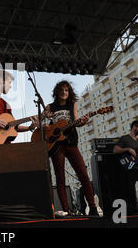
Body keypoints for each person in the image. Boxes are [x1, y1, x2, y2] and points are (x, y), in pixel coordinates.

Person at [42, 80, 99, 216]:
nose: (64, 92)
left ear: (69, 92)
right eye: (61, 90)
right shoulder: (50, 107)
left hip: (71, 142)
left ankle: (93, 207)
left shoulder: (72, 104)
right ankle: (67, 210)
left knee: (83, 175)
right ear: (57, 92)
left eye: (66, 90)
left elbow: (76, 121)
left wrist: (82, 122)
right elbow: (43, 122)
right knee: (60, 178)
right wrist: (45, 126)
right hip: (56, 146)